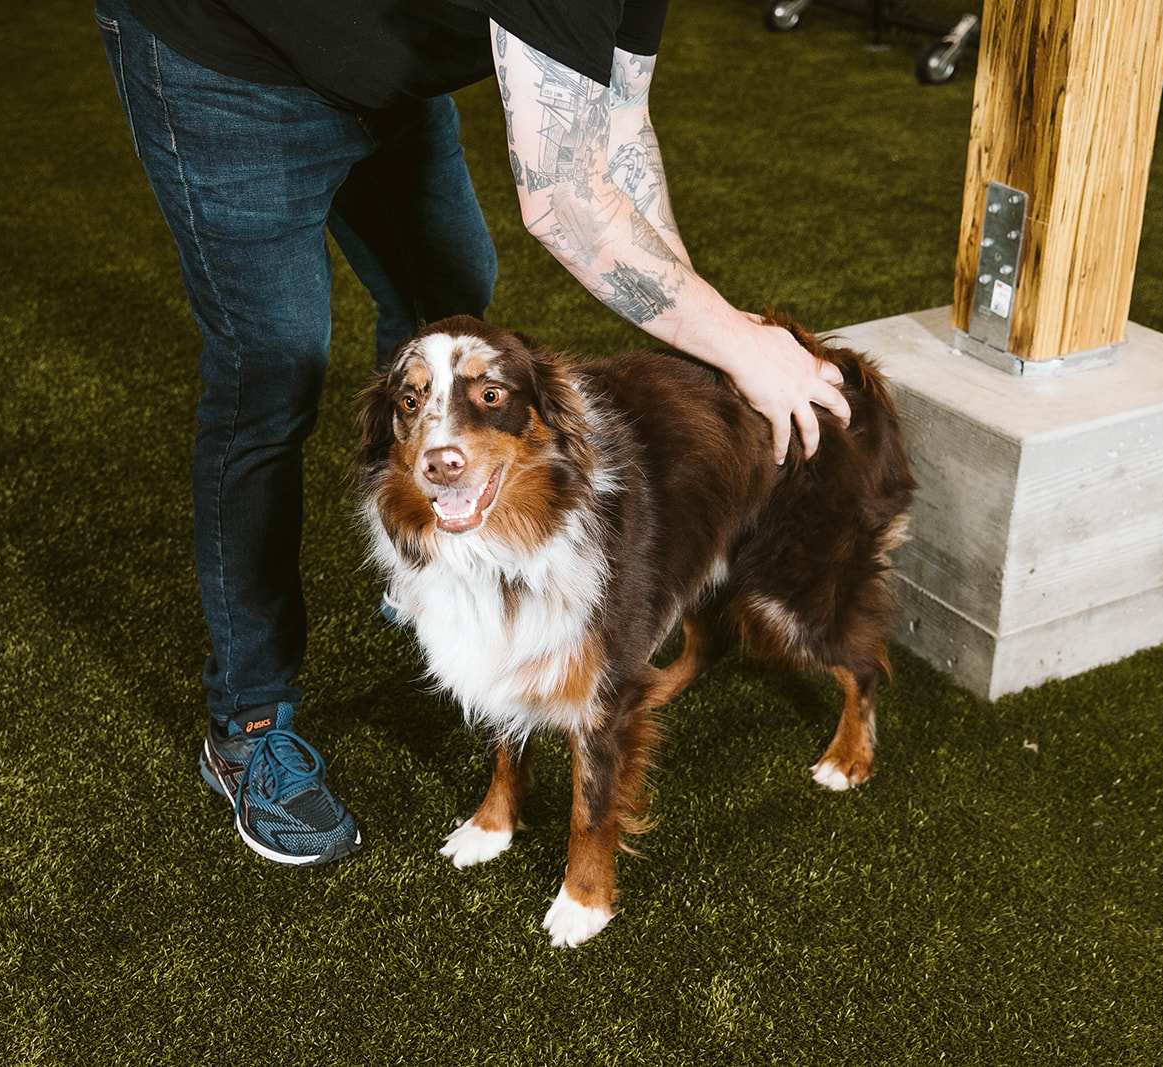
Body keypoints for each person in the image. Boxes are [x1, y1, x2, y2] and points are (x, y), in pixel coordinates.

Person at [95, 0, 852, 867]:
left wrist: (710, 338)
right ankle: (249, 724)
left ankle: (434, 556)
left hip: (376, 67)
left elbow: (618, 131)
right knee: (272, 370)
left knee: (452, 286)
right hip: (225, 58)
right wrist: (738, 344)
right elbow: (565, 201)